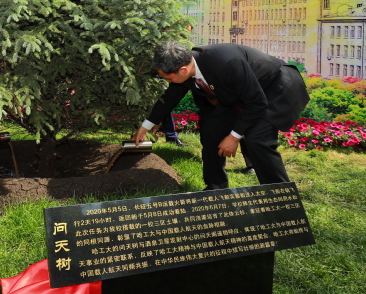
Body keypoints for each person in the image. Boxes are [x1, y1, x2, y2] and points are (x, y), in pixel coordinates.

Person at [132, 42, 309, 190]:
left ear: (183, 70)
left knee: (257, 139)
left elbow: (256, 103)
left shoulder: (226, 62)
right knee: (211, 130)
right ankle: (216, 189)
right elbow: (171, 96)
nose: (168, 82)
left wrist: (234, 137)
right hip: (239, 92)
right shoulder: (188, 65)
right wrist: (146, 126)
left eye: (168, 78)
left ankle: (279, 194)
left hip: (275, 86)